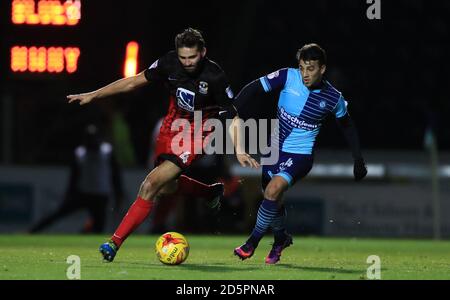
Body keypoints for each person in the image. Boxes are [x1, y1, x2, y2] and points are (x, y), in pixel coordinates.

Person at [67, 28, 235, 262]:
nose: (187, 63)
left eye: (192, 57)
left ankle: (113, 243)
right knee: (167, 187)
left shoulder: (215, 75)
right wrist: (95, 94)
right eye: (183, 57)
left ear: (203, 52)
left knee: (150, 184)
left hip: (198, 132)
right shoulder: (168, 62)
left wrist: (241, 147)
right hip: (169, 129)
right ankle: (210, 191)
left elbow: (232, 114)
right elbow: (133, 82)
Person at [230, 43, 368, 264]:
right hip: (273, 149)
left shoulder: (333, 98)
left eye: (311, 68)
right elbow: (255, 87)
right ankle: (280, 239)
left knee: (273, 190)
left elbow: (347, 125)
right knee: (271, 196)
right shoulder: (287, 76)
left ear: (322, 69)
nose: (305, 74)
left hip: (300, 155)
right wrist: (234, 107)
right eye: (302, 67)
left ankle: (251, 243)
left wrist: (358, 159)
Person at [29, 124, 124, 234]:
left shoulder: (107, 151)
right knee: (58, 213)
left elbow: (115, 174)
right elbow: (74, 176)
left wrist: (118, 192)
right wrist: (69, 193)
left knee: (99, 227)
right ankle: (32, 231)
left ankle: (84, 233)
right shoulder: (80, 153)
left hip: (100, 196)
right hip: (83, 193)